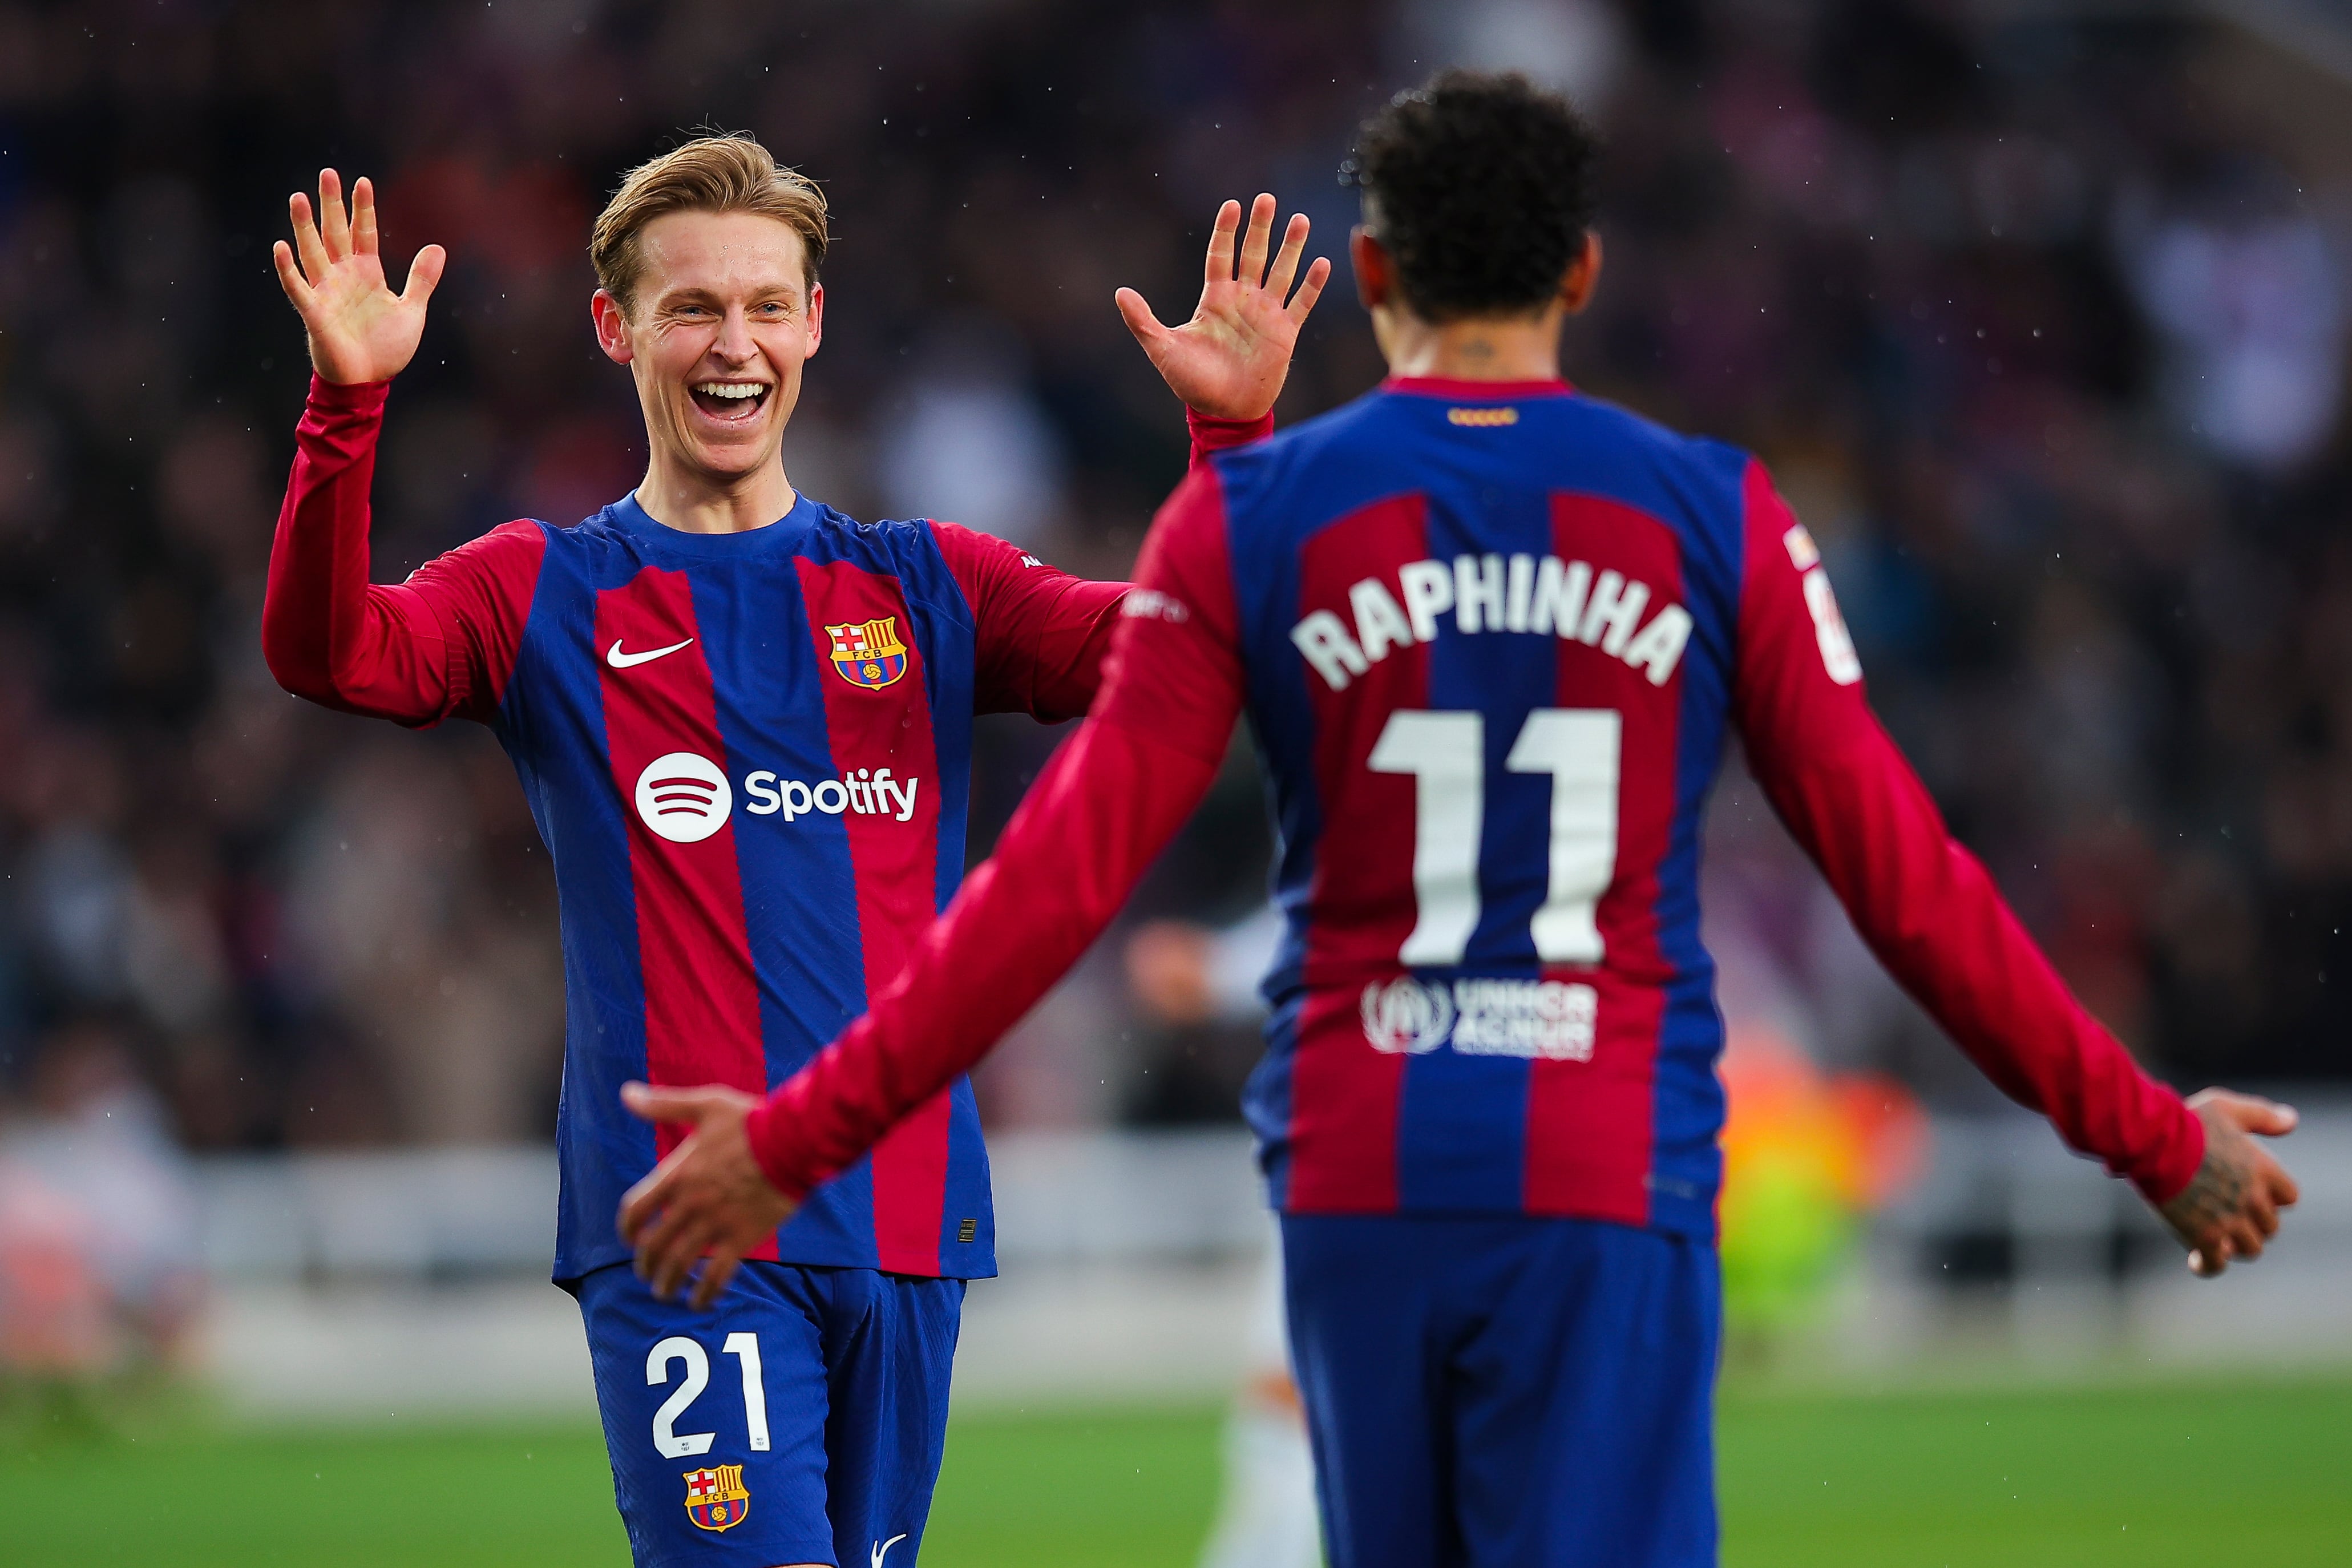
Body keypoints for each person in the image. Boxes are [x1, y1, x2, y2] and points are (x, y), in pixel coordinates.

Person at [616, 76, 2302, 1568]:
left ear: (1370, 277)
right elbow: (1909, 883)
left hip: (1364, 1182)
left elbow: (1049, 884)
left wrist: (791, 1134)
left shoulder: (1256, 519)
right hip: (1602, 1170)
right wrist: (2151, 1134)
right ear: (1579, 273)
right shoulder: (1711, 511)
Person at [262, 135, 1327, 1568]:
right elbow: (330, 655)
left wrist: (1236, 445)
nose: (733, 342)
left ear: (814, 325)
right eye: (692, 306)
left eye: (767, 304)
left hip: (906, 1220)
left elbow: (1212, 654)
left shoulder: (928, 585)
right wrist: (348, 403)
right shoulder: (543, 591)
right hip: (687, 1225)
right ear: (616, 327)